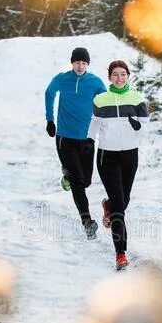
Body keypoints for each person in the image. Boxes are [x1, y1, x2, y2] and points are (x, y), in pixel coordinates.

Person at [88, 60, 148, 270]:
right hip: (107, 156)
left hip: (130, 155)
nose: (119, 78)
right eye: (115, 74)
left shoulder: (137, 98)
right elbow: (94, 123)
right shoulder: (100, 99)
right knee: (119, 208)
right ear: (109, 77)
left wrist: (137, 125)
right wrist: (89, 142)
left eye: (123, 74)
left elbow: (145, 127)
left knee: (123, 200)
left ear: (128, 76)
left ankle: (108, 207)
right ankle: (120, 254)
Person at [44, 47, 106, 239]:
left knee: (85, 180)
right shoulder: (62, 79)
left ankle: (67, 176)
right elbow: (49, 93)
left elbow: (105, 103)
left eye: (84, 63)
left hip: (87, 138)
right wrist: (50, 120)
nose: (80, 66)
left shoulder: (95, 82)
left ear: (88, 64)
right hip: (65, 137)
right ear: (72, 63)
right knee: (79, 182)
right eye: (77, 62)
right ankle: (87, 221)